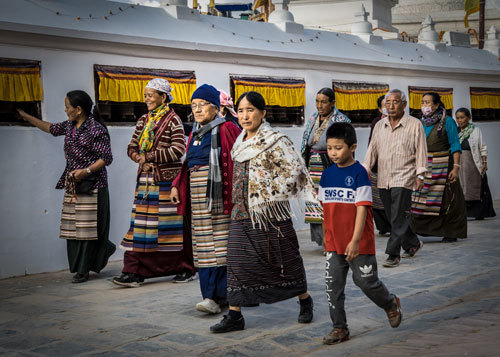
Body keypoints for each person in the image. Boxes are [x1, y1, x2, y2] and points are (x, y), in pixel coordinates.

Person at [210, 91, 320, 333]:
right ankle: (235, 315)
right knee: (236, 262)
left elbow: (295, 172)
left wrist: (267, 189)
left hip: (270, 213)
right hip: (241, 212)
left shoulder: (277, 140)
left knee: (285, 260)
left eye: (250, 110)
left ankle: (304, 299)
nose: (245, 115)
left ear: (263, 113)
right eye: (241, 110)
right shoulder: (240, 143)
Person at [17, 90, 115, 283]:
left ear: (78, 110)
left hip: (93, 184)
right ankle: (86, 262)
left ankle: (84, 269)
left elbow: (107, 158)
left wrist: (85, 171)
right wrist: (25, 116)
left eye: (67, 107)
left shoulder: (96, 129)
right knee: (74, 228)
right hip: (73, 184)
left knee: (87, 230)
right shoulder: (69, 126)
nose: (65, 110)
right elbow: (50, 128)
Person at [320, 122, 402, 345]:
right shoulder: (326, 175)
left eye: (338, 148)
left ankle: (389, 303)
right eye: (330, 148)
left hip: (359, 243)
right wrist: (327, 240)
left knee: (366, 282)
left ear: (353, 146)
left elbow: (362, 208)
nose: (334, 153)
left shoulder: (360, 174)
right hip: (333, 244)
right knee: (332, 287)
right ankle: (339, 328)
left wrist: (355, 240)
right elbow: (325, 210)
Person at [112, 78, 195, 287]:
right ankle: (134, 271)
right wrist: (140, 158)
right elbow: (131, 148)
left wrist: (149, 158)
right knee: (141, 227)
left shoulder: (173, 120)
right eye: (145, 95)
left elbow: (178, 150)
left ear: (163, 97)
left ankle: (184, 268)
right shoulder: (143, 120)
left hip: (167, 183)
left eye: (151, 94)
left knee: (170, 228)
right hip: (145, 183)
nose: (146, 98)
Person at [171, 84, 241, 314]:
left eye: (202, 105)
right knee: (203, 246)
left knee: (220, 245)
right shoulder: (193, 132)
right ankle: (210, 295)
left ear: (216, 108)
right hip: (198, 195)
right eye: (194, 106)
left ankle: (220, 295)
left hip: (220, 195)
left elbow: (236, 162)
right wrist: (176, 187)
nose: (198, 110)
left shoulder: (227, 128)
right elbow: (186, 163)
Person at [364, 89, 426, 268]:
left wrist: (420, 174)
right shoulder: (379, 125)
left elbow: (421, 150)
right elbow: (372, 150)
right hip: (383, 177)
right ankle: (413, 243)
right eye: (387, 102)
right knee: (393, 216)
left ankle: (393, 254)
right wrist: (366, 169)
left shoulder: (415, 125)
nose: (390, 106)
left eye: (395, 102)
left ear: (404, 104)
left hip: (404, 177)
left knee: (398, 215)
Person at [411, 93, 467, 243]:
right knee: (420, 199)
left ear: (436, 105)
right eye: (423, 102)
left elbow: (455, 144)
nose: (425, 105)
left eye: (428, 102)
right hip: (424, 166)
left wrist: (455, 168)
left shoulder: (447, 121)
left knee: (448, 200)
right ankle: (418, 230)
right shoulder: (419, 122)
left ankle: (451, 232)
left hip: (444, 167)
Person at [300, 88, 351, 248]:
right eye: (317, 101)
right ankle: (322, 240)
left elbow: (346, 147)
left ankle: (333, 239)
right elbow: (306, 142)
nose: (319, 105)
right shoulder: (312, 118)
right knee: (315, 203)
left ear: (332, 103)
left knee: (331, 202)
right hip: (313, 166)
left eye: (323, 102)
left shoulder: (341, 120)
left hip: (331, 164)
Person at [455, 108, 496, 220]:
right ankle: (463, 213)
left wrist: (484, 162)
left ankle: (479, 213)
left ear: (469, 118)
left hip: (473, 163)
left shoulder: (475, 130)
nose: (460, 120)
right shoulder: (455, 131)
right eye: (457, 118)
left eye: (462, 117)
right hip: (459, 163)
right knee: (462, 188)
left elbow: (482, 147)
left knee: (475, 188)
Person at [368, 95, 391, 235]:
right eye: (384, 105)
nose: (388, 107)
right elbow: (372, 143)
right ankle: (383, 226)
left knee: (391, 198)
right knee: (377, 198)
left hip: (394, 166)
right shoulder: (376, 122)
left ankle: (394, 225)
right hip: (378, 164)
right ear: (379, 108)